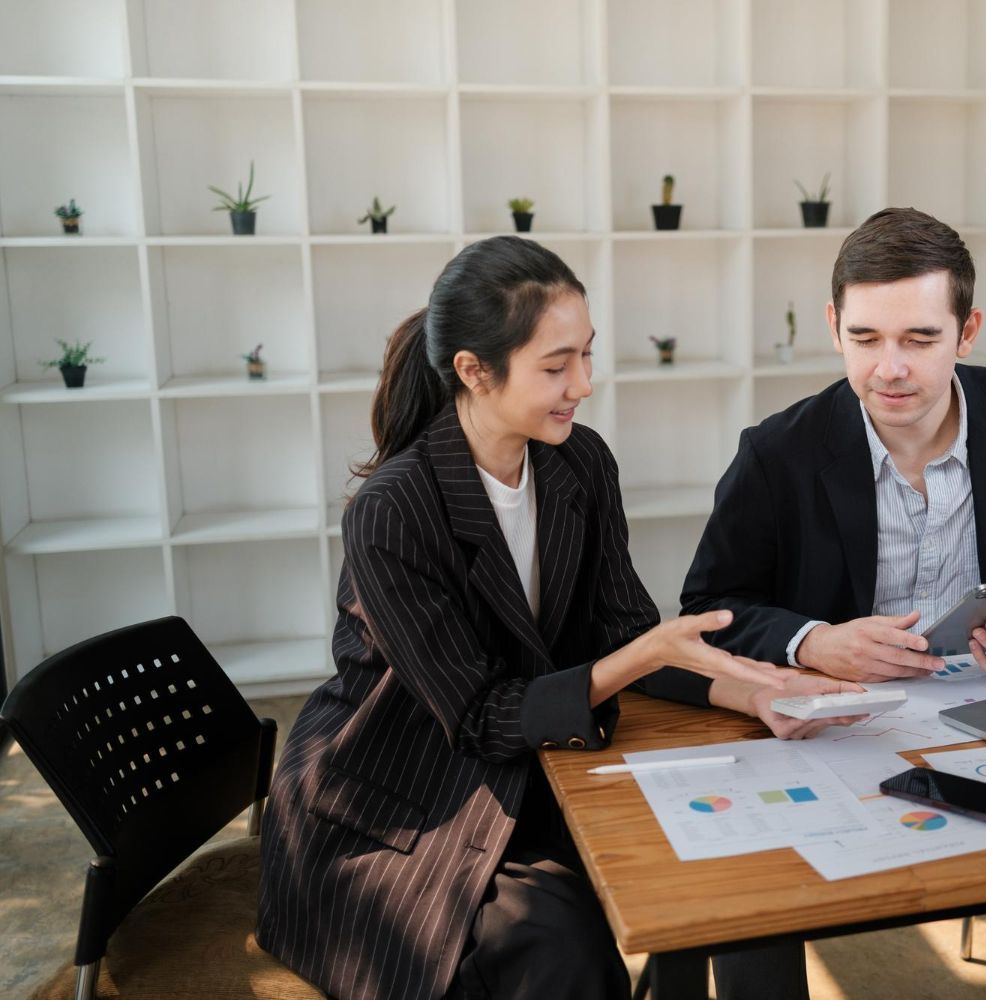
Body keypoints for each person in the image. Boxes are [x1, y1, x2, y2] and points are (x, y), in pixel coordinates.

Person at [257, 236, 863, 1000]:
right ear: (474, 371)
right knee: (559, 939)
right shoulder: (394, 511)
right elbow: (479, 716)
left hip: (540, 757)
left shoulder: (578, 462)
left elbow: (622, 632)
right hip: (406, 798)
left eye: (586, 354)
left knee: (732, 854)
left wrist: (755, 693)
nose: (582, 383)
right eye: (555, 366)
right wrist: (641, 659)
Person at [681, 208, 986, 1000]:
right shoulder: (778, 451)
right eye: (866, 338)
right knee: (752, 876)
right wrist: (813, 643)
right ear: (834, 326)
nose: (889, 369)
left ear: (966, 331)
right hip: (842, 714)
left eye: (919, 339)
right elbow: (709, 604)